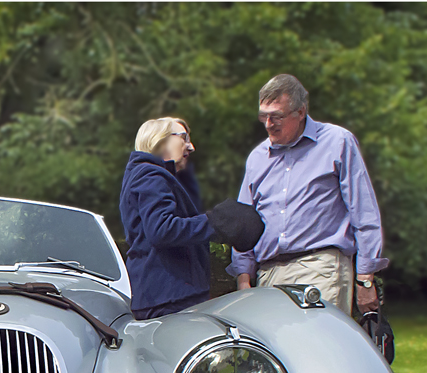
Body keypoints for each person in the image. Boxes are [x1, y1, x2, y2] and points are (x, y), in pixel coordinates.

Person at [229, 74, 385, 314]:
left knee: (318, 338)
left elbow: (363, 210)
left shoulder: (336, 142)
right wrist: (243, 277)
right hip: (268, 274)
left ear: (300, 112)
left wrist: (365, 277)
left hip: (320, 266)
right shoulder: (257, 158)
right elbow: (244, 223)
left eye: (277, 116)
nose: (269, 124)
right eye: (264, 116)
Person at [120, 117, 264, 319]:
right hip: (169, 298)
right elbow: (161, 229)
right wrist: (215, 223)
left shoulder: (143, 175)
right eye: (184, 138)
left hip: (162, 296)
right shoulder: (151, 175)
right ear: (160, 139)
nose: (191, 147)